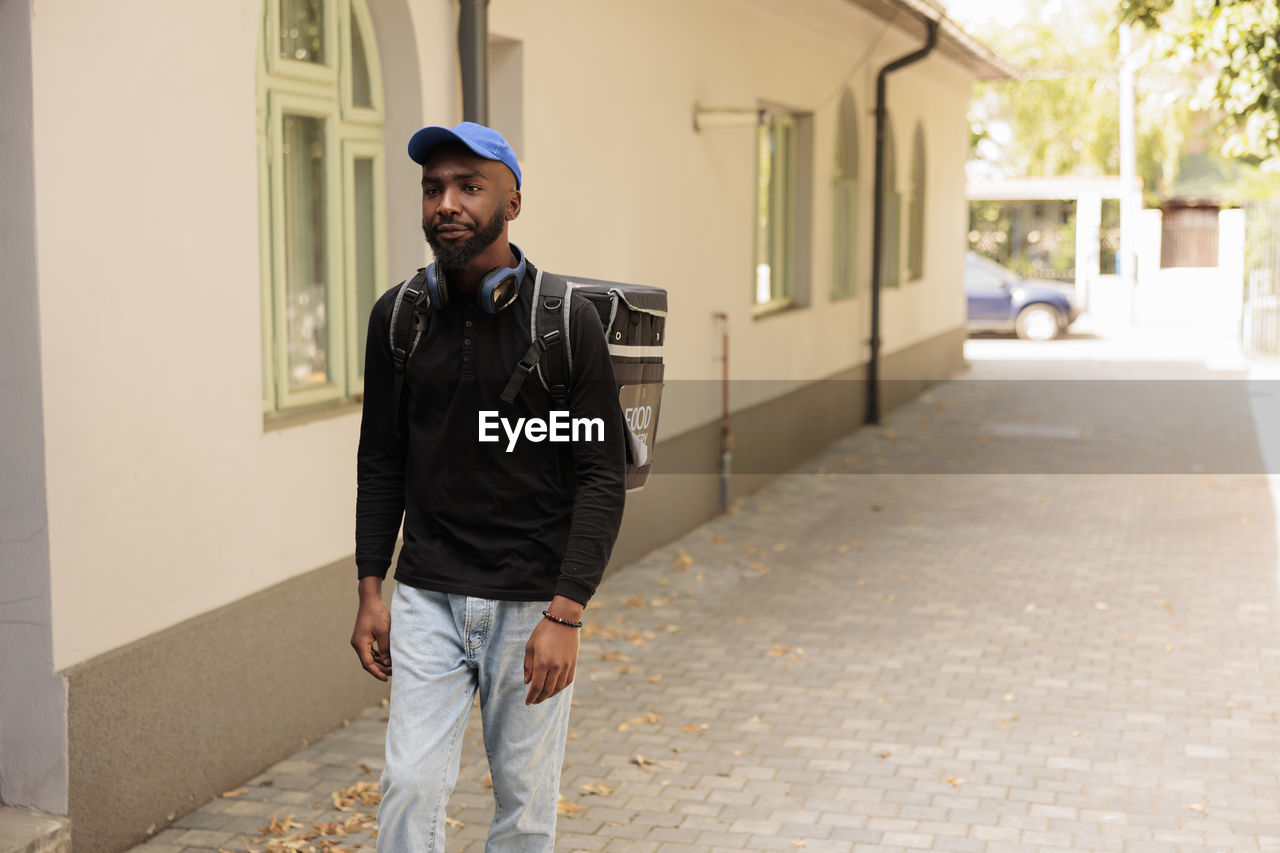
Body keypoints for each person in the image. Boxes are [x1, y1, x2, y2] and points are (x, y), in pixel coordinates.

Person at [351, 121, 627, 852]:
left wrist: (566, 612)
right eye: (434, 187)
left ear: (513, 202)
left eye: (470, 186)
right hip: (427, 594)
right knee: (409, 786)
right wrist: (370, 585)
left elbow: (602, 472)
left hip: (532, 600)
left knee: (525, 810)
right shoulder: (399, 318)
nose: (448, 202)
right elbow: (380, 457)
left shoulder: (567, 321)